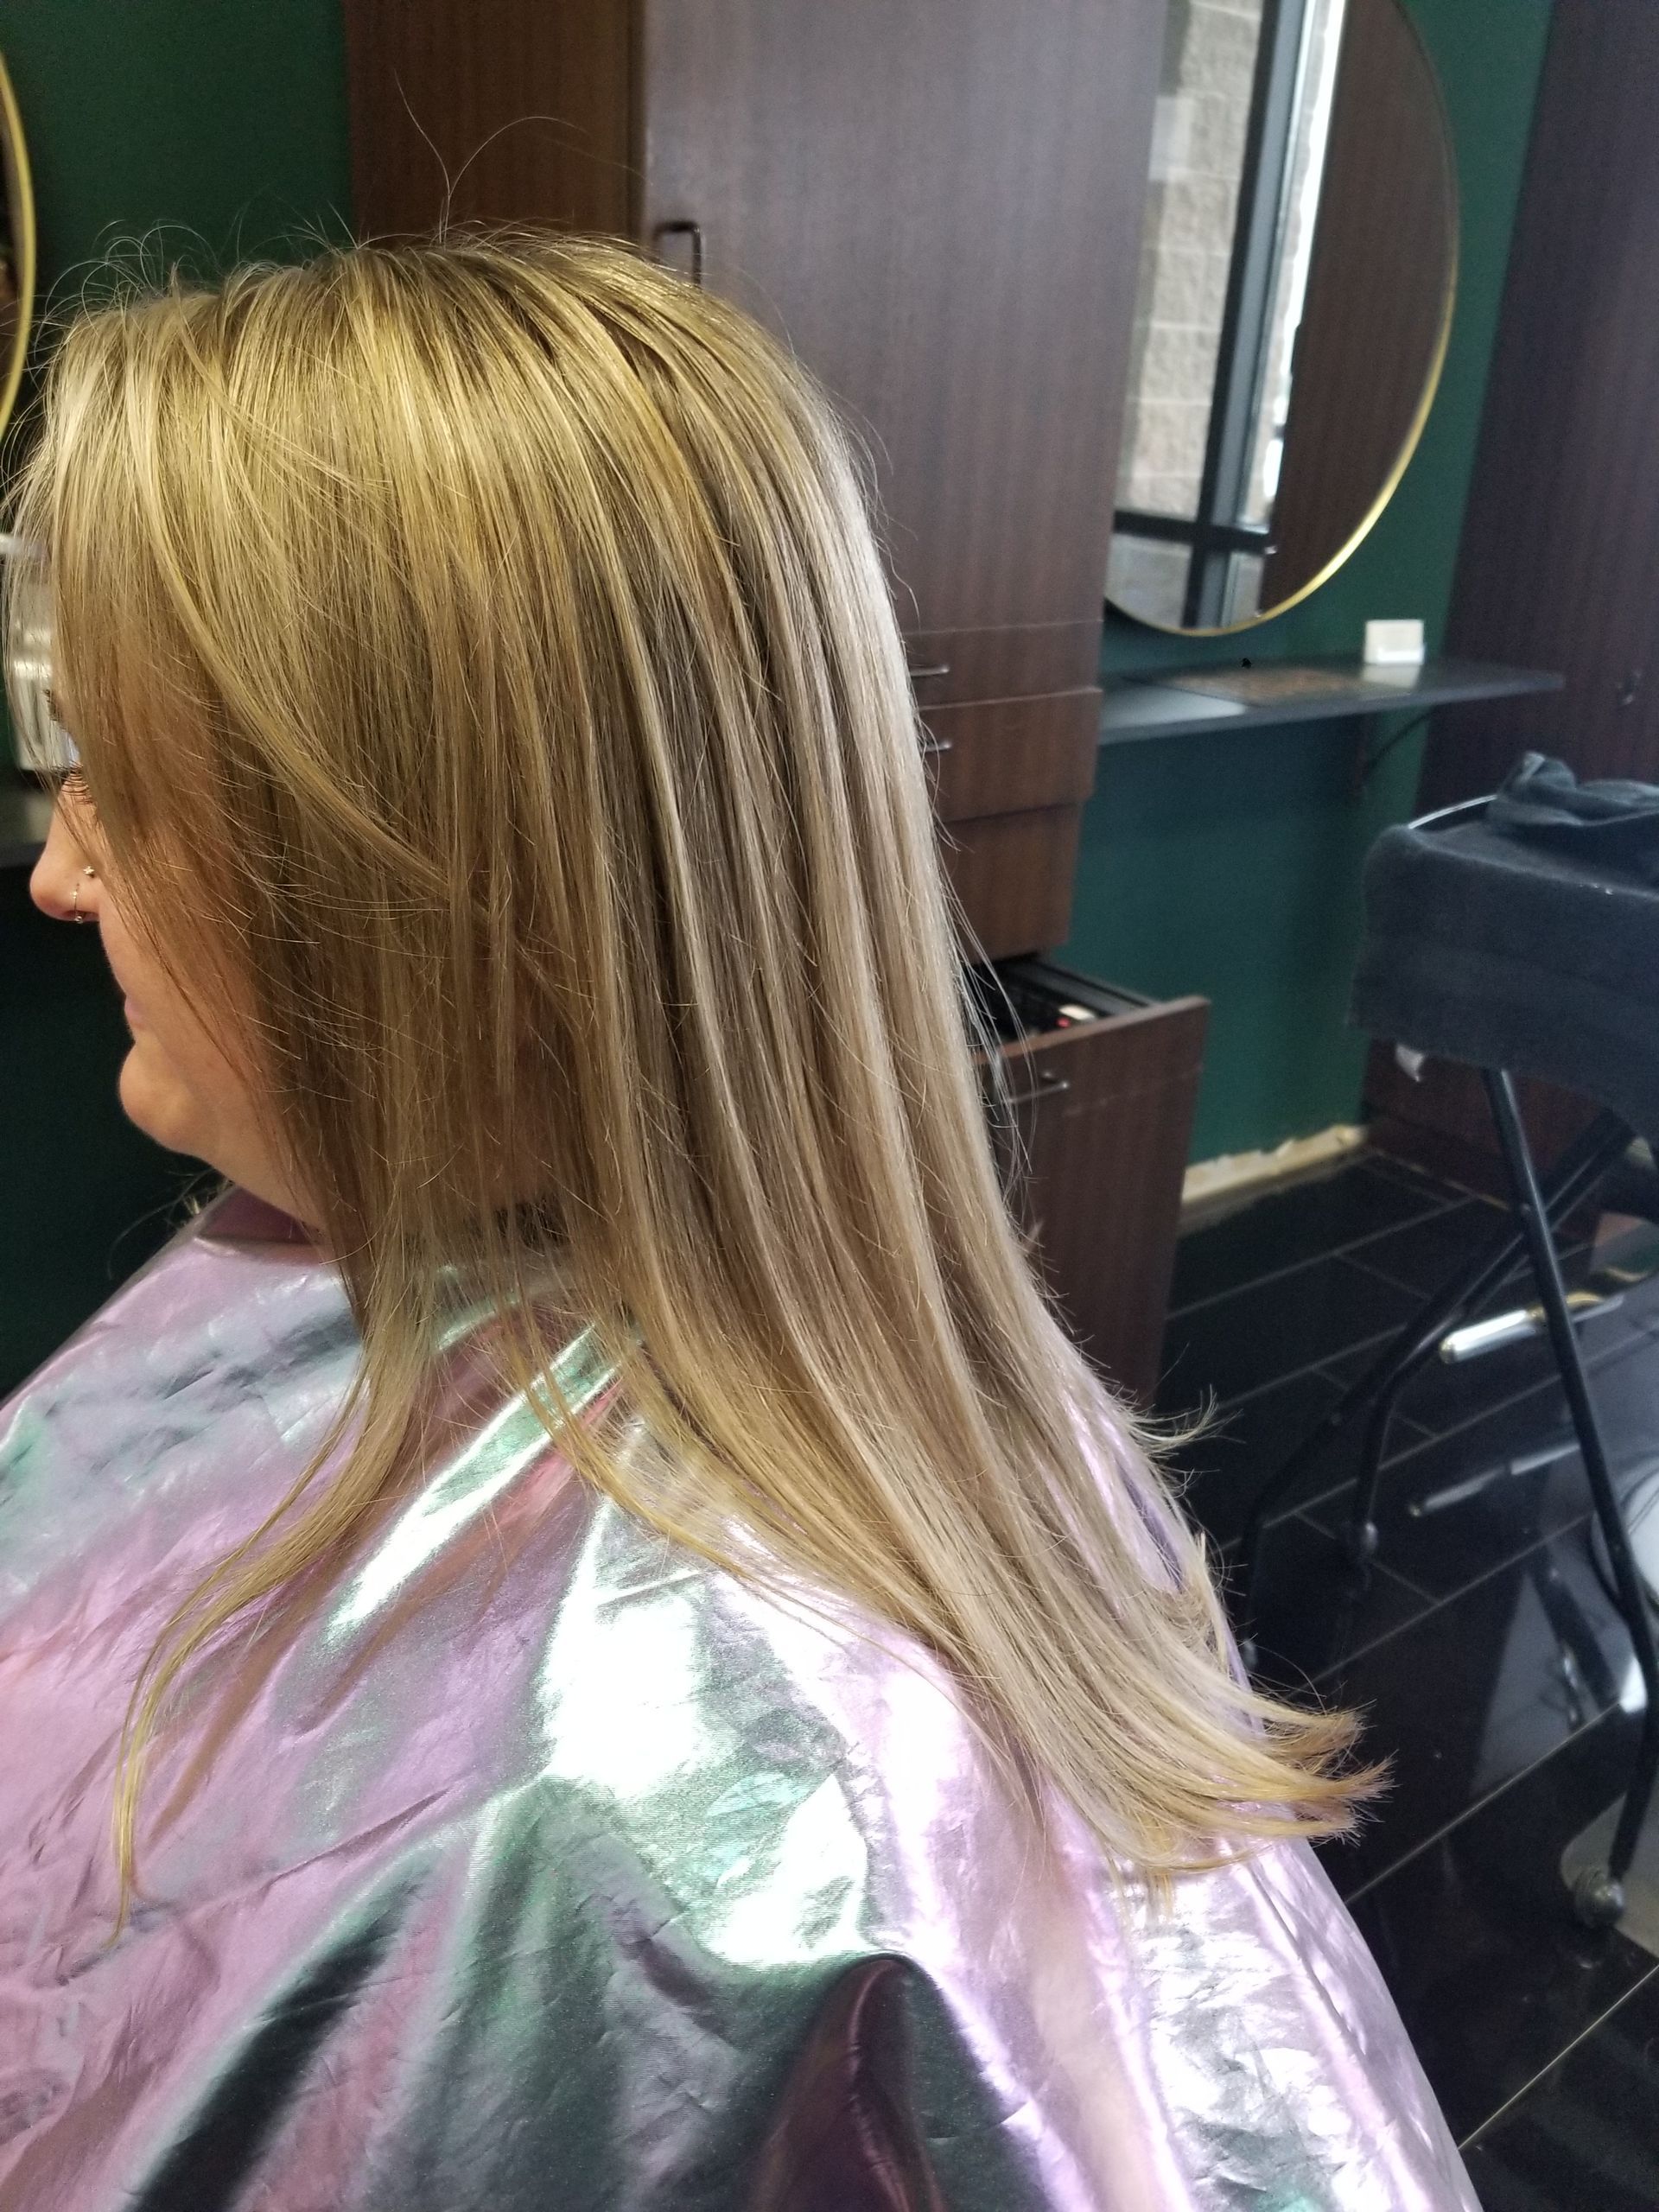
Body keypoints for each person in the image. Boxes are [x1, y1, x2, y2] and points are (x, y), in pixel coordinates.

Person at [1, 232, 1475, 2210]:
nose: (62, 875)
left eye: (123, 793)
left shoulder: (647, 1816)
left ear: (431, 901)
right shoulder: (885, 1377)